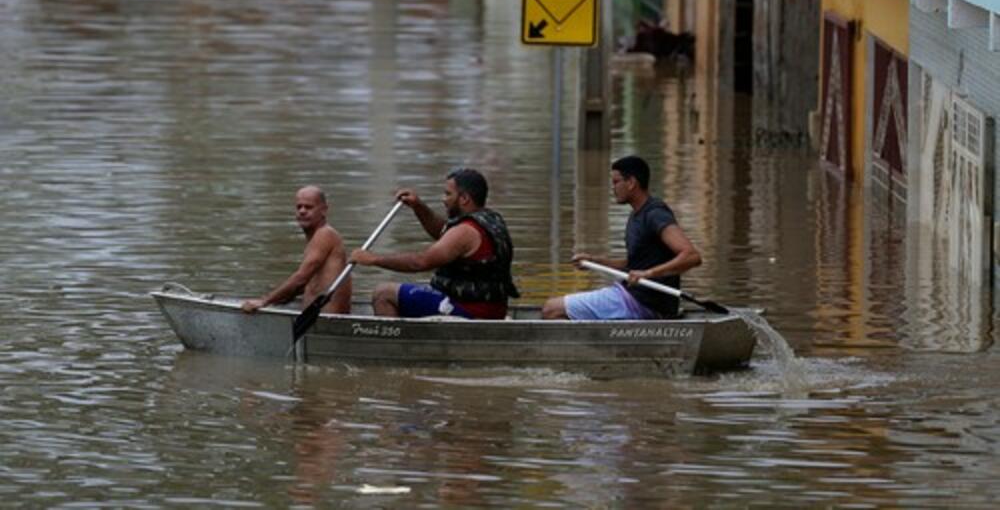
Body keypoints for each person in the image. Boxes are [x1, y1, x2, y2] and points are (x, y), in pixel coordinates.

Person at [542, 155, 701, 320]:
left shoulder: (655, 214)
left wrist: (649, 273)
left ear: (631, 183)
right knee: (555, 308)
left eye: (616, 182)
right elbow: (634, 264)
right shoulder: (636, 215)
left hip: (643, 303)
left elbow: (691, 256)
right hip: (630, 295)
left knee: (551, 309)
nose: (613, 188)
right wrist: (594, 261)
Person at [349, 168, 519, 319]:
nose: (443, 199)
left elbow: (420, 262)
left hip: (470, 311)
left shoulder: (465, 232)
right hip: (488, 308)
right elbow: (443, 233)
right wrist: (418, 206)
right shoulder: (489, 220)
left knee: (383, 293)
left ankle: (398, 351)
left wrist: (373, 259)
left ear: (464, 198)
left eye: (448, 194)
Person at [241, 185, 351, 315]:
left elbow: (301, 278)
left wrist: (264, 301)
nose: (302, 211)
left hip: (325, 322)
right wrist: (281, 298)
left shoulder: (325, 235)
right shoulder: (316, 238)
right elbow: (305, 285)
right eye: (299, 207)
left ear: (324, 210)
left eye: (308, 207)